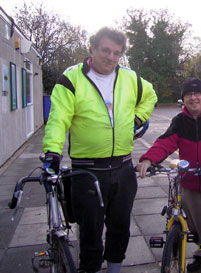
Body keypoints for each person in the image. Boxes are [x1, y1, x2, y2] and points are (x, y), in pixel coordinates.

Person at [42, 27, 158, 273]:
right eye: (105, 50)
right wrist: (52, 151)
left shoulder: (130, 77)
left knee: (120, 227)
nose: (111, 57)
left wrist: (138, 119)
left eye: (117, 53)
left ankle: (114, 269)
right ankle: (90, 269)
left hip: (123, 167)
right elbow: (58, 118)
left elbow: (150, 96)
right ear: (92, 48)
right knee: (91, 232)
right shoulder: (71, 78)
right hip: (87, 170)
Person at [137, 77, 201, 273]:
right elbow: (165, 143)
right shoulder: (180, 121)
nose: (193, 98)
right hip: (190, 181)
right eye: (188, 95)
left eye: (197, 94)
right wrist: (148, 159)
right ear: (183, 99)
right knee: (194, 223)